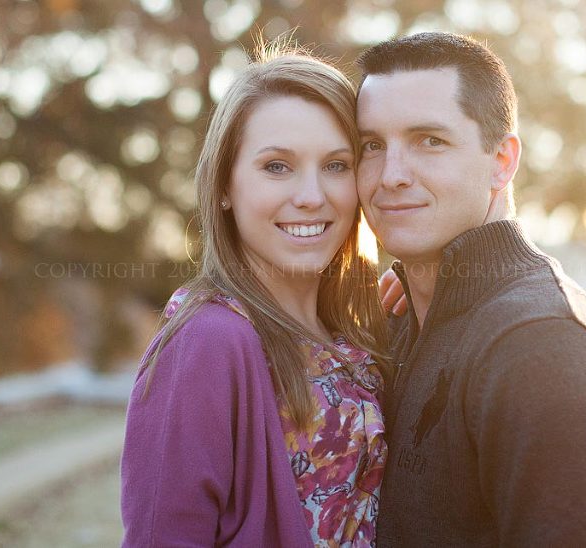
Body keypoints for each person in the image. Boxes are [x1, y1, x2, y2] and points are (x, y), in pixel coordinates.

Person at [357, 32, 586, 546]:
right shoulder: (399, 318)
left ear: (502, 160)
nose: (391, 175)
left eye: (431, 140)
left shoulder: (543, 348)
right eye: (372, 146)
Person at [120, 47, 390, 547]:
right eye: (277, 167)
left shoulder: (353, 335)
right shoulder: (207, 342)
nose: (312, 195)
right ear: (224, 184)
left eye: (336, 165)